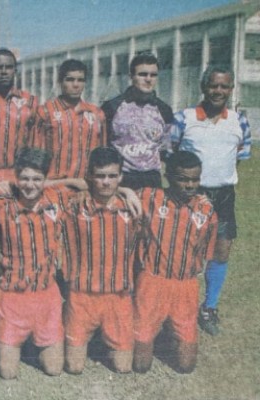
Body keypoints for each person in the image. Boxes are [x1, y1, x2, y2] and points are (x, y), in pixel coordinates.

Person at [170, 65, 251, 336]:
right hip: (192, 194)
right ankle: (178, 306)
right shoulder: (184, 118)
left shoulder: (239, 121)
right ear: (203, 87)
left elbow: (239, 156)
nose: (218, 91)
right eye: (213, 85)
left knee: (221, 250)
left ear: (231, 89)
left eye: (224, 86)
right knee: (185, 251)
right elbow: (170, 153)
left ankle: (209, 307)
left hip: (224, 195)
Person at [132, 151, 217, 374]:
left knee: (186, 366)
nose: (190, 185)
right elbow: (114, 197)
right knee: (140, 365)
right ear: (168, 176)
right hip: (152, 282)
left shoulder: (206, 210)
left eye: (195, 179)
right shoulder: (147, 197)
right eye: (183, 179)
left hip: (185, 286)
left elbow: (204, 253)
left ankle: (171, 330)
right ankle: (148, 330)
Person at [58, 147, 136, 374]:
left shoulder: (132, 207)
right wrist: (82, 187)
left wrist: (128, 192)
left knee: (123, 367)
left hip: (117, 295)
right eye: (100, 176)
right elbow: (37, 187)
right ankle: (72, 323)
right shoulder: (73, 205)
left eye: (112, 176)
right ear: (89, 176)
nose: (106, 182)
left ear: (120, 176)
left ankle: (105, 335)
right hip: (82, 295)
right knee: (74, 367)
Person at [0, 148, 66, 379]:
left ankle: (35, 340)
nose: (30, 185)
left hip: (46, 295)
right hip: (13, 296)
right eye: (24, 178)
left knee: (54, 369)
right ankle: (19, 340)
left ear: (46, 179)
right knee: (7, 372)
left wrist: (127, 191)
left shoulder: (56, 201)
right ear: (16, 178)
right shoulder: (2, 205)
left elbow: (87, 185)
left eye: (37, 179)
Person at [101, 52, 174, 189]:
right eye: (142, 74)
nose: (148, 79)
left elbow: (165, 149)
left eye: (153, 75)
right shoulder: (111, 107)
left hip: (152, 179)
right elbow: (102, 145)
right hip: (121, 178)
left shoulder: (164, 110)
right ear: (131, 76)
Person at [33, 59, 106, 181]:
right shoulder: (44, 112)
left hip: (87, 185)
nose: (76, 85)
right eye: (70, 79)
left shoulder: (97, 113)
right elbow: (35, 154)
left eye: (80, 80)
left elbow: (103, 155)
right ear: (60, 81)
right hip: (54, 184)